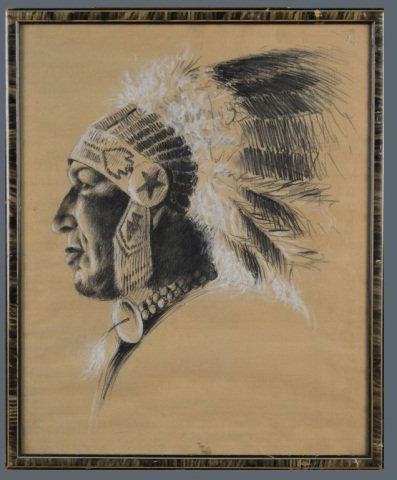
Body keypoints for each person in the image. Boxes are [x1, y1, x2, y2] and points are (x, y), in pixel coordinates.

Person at [52, 49, 340, 406]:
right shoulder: (138, 331)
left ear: (148, 197)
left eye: (84, 183)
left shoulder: (220, 334)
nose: (59, 220)